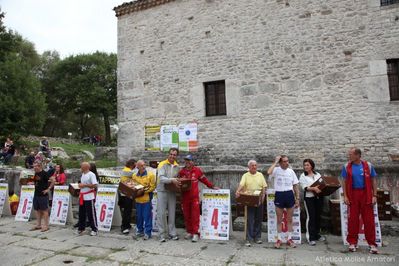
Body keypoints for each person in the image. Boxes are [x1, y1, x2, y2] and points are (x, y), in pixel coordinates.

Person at [341, 148, 379, 254]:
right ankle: (352, 243)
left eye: (351, 154)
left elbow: (373, 180)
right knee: (353, 220)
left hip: (366, 194)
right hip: (353, 194)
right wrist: (345, 196)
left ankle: (372, 244)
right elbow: (344, 182)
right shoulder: (346, 166)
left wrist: (374, 195)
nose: (349, 156)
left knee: (369, 220)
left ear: (358, 155)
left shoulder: (368, 166)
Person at [179, 154, 219, 242]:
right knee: (187, 215)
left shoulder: (197, 170)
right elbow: (179, 183)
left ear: (193, 162)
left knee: (195, 215)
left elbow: (204, 180)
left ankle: (195, 233)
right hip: (185, 197)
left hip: (194, 198)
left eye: (189, 160)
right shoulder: (182, 171)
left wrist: (212, 186)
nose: (187, 162)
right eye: (186, 160)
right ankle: (189, 231)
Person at [267, 155, 300, 249]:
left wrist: (297, 198)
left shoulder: (291, 171)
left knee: (289, 219)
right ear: (281, 162)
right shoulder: (276, 169)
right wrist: (276, 161)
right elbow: (268, 172)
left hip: (289, 194)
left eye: (287, 161)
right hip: (279, 194)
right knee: (279, 219)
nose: (287, 163)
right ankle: (279, 239)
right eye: (284, 161)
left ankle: (289, 238)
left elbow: (295, 185)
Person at [235, 160, 267, 247]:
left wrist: (263, 195)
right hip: (249, 199)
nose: (254, 167)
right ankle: (248, 238)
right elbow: (241, 185)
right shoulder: (245, 175)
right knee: (250, 219)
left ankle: (257, 237)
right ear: (249, 167)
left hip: (259, 198)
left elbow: (264, 186)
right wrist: (238, 191)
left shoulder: (260, 175)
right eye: (252, 165)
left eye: (255, 165)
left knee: (259, 218)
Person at [299, 159, 325, 246]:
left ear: (312, 166)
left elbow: (322, 183)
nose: (306, 167)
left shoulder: (318, 174)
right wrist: (313, 188)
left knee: (318, 216)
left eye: (307, 165)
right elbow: (304, 187)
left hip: (319, 198)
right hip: (309, 198)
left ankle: (317, 234)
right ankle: (310, 237)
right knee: (311, 217)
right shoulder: (303, 176)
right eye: (305, 165)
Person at [156, 147, 181, 242]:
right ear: (168, 154)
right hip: (162, 190)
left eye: (174, 155)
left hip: (171, 191)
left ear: (176, 156)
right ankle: (162, 234)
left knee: (172, 212)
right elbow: (161, 178)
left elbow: (177, 178)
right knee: (161, 213)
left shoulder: (177, 166)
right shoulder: (162, 164)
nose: (172, 156)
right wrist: (172, 180)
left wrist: (178, 181)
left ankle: (172, 233)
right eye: (171, 154)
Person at [132, 160, 156, 239]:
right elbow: (133, 186)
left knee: (147, 216)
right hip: (138, 200)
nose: (144, 167)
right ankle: (140, 231)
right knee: (139, 217)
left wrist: (143, 191)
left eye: (144, 165)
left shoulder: (151, 175)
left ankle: (148, 233)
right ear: (137, 167)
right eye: (141, 165)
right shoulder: (134, 176)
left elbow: (152, 187)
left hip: (146, 199)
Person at [77, 162, 98, 236]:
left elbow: (95, 185)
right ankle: (81, 228)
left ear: (85, 167)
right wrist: (80, 185)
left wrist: (84, 185)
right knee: (81, 213)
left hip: (89, 196)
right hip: (82, 196)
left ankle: (94, 229)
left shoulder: (91, 174)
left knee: (91, 214)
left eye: (81, 166)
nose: (80, 167)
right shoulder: (83, 174)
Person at [28, 162, 51, 232]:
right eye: (34, 166)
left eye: (35, 167)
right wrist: (31, 183)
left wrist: (48, 189)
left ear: (40, 166)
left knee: (44, 210)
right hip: (36, 194)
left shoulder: (45, 173)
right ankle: (38, 225)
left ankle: (46, 226)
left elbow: (53, 180)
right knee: (37, 210)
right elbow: (36, 182)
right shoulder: (35, 173)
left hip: (43, 195)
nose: (34, 168)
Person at [119, 159, 137, 234]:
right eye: (135, 165)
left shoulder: (127, 170)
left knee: (129, 210)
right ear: (131, 165)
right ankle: (124, 227)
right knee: (127, 210)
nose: (135, 166)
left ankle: (127, 225)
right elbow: (136, 173)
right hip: (125, 194)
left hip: (128, 193)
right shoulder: (127, 171)